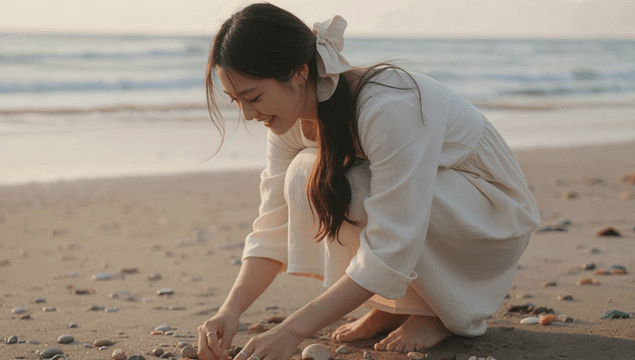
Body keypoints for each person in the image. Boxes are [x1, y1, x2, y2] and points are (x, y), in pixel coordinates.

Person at [198, 3, 540, 360]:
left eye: (253, 97)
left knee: (351, 185)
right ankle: (395, 305)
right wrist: (230, 310)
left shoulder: (387, 108)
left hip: (490, 220)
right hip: (432, 213)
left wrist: (292, 330)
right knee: (307, 174)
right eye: (235, 100)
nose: (249, 115)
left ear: (299, 73)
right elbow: (272, 225)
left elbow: (394, 238)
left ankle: (439, 313)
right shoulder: (288, 118)